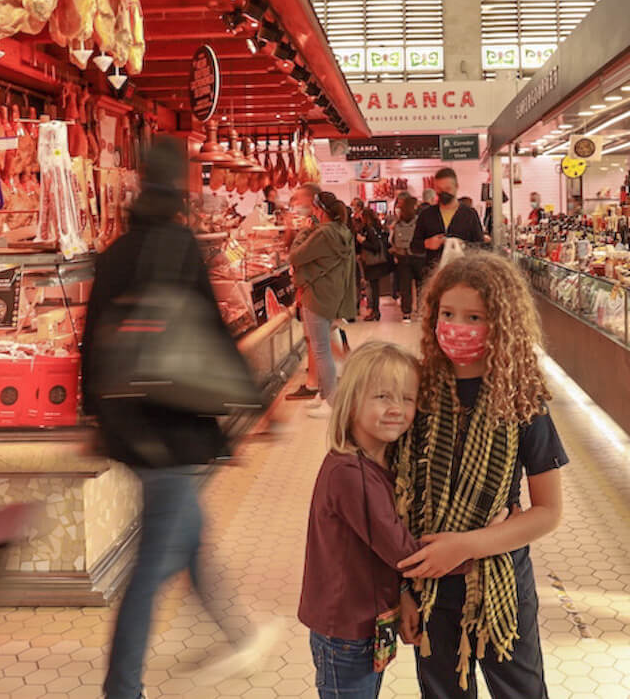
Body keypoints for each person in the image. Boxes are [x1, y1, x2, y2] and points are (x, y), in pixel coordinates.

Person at [81, 137, 280, 699]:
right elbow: (210, 332)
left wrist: (92, 415)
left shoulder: (115, 252)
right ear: (180, 187)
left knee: (189, 537)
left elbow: (90, 341)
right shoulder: (180, 246)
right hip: (174, 426)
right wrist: (249, 400)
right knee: (150, 568)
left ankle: (237, 633)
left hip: (129, 424)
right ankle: (123, 687)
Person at [395, 251, 567, 697]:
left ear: (502, 325)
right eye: (447, 314)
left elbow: (548, 511)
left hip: (499, 577)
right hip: (429, 583)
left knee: (520, 689)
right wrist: (400, 591)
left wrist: (468, 544)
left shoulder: (521, 400)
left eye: (475, 316)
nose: (458, 326)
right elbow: (393, 497)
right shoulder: (418, 392)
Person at [299, 342, 491, 699]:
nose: (396, 410)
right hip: (346, 632)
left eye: (407, 399)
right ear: (352, 399)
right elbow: (403, 553)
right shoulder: (351, 474)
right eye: (382, 397)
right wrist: (483, 547)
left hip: (366, 622)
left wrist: (400, 595)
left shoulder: (376, 464)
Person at [290, 190, 358, 418]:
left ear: (319, 210)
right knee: (324, 347)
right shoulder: (342, 231)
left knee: (321, 350)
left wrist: (305, 231)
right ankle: (324, 393)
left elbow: (296, 256)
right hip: (333, 294)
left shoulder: (321, 234)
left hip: (317, 295)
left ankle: (331, 402)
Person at [411, 168, 486, 272]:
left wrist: (463, 245)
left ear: (456, 187)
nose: (443, 193)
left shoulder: (469, 214)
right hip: (434, 274)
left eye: (447, 189)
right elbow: (414, 246)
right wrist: (427, 243)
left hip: (463, 273)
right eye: (439, 189)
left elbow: (480, 246)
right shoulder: (426, 215)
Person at [389, 195, 425, 322]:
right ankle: (421, 311)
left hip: (403, 256)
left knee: (405, 286)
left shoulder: (397, 223)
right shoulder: (419, 221)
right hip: (419, 256)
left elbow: (392, 240)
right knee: (421, 284)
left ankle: (406, 313)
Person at [356, 206, 393, 321]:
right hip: (377, 263)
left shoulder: (369, 229)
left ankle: (374, 311)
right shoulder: (378, 228)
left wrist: (363, 242)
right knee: (374, 287)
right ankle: (375, 311)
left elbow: (375, 247)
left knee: (373, 288)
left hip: (372, 263)